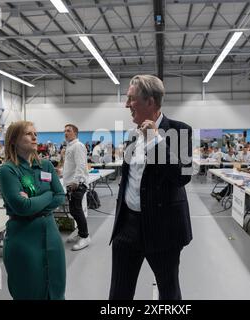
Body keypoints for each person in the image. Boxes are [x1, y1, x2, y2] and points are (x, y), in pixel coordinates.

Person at [109, 75, 192, 300]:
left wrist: (155, 140)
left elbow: (181, 176)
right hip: (127, 226)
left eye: (131, 99)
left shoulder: (180, 130)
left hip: (163, 227)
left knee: (168, 291)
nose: (126, 105)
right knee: (119, 293)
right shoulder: (132, 135)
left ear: (150, 102)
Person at [0, 121, 66, 300]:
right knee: (29, 292)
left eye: (35, 133)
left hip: (51, 236)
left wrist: (33, 203)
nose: (34, 137)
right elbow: (22, 207)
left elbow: (60, 195)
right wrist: (48, 195)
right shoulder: (7, 170)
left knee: (56, 290)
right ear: (13, 140)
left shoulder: (46, 166)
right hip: (23, 239)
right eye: (28, 134)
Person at [63, 124, 91, 251]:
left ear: (75, 133)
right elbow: (71, 165)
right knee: (73, 210)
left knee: (77, 210)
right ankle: (80, 232)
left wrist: (76, 181)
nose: (65, 133)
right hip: (70, 184)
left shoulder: (78, 146)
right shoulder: (70, 146)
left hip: (77, 184)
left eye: (68, 131)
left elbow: (81, 165)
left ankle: (85, 236)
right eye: (64, 131)